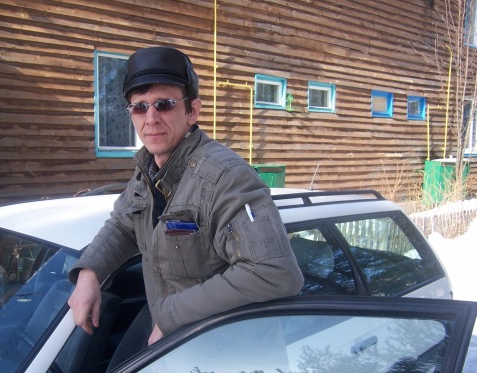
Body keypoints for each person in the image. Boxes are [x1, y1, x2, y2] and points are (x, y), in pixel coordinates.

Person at [67, 46, 303, 352]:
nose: (150, 118)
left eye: (164, 105)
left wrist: (169, 317)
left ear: (192, 111)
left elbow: (274, 272)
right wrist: (90, 272)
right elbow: (124, 225)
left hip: (230, 358)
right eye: (139, 107)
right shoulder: (148, 170)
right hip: (173, 344)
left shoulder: (226, 176)